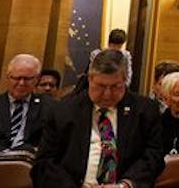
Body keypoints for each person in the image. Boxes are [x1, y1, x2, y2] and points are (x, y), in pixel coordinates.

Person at [32, 48, 163, 188]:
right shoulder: (63, 111)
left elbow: (154, 155)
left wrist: (126, 185)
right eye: (100, 86)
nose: (107, 94)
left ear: (125, 81)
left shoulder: (144, 110)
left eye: (115, 87)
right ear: (89, 79)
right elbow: (44, 163)